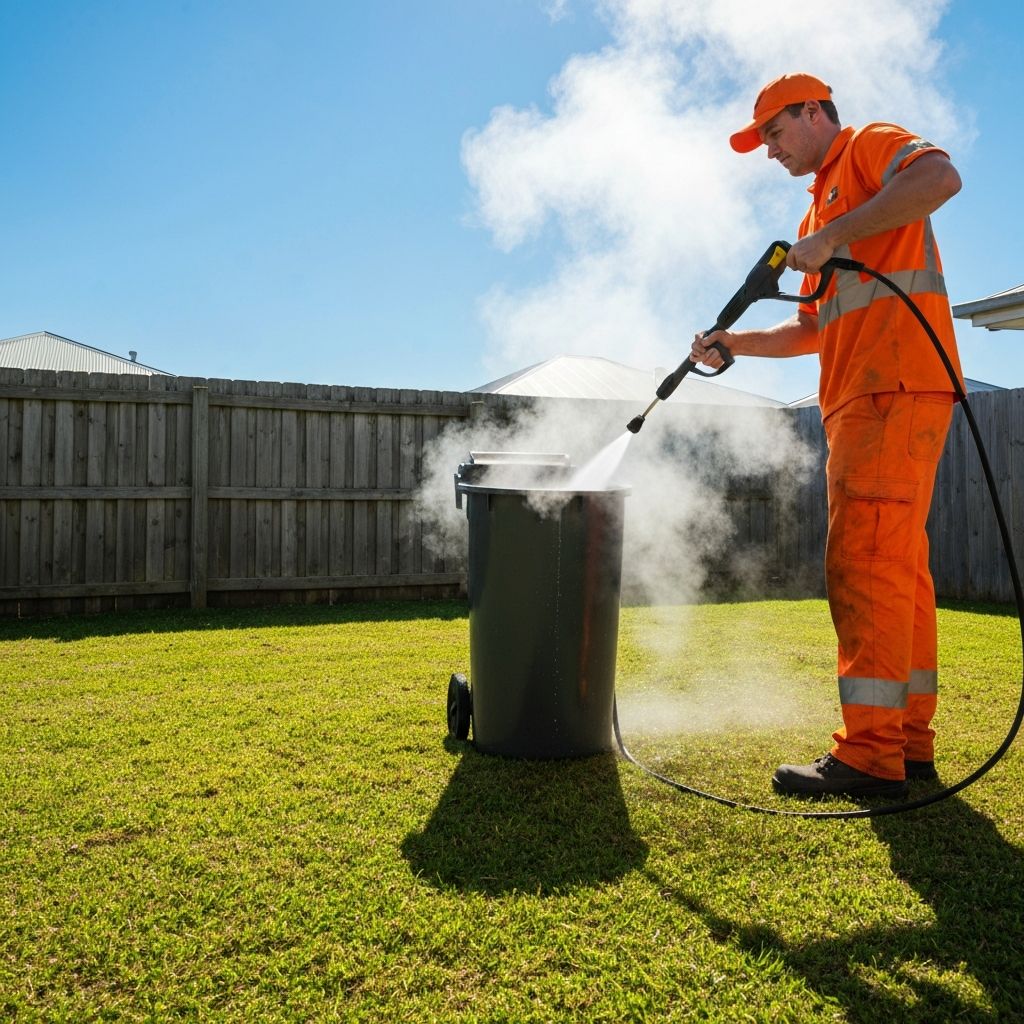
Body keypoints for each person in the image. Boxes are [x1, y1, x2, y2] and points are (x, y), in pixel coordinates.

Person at [691, 73, 964, 799]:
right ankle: (908, 747)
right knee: (897, 572)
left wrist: (836, 234)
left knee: (864, 564)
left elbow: (942, 176)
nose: (770, 151)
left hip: (890, 388)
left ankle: (870, 755)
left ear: (814, 113)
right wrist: (735, 345)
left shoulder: (867, 148)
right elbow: (813, 328)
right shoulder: (820, 203)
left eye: (775, 133)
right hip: (868, 398)